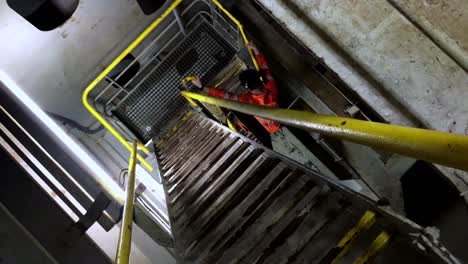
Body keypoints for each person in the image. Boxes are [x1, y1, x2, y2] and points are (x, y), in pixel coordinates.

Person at [191, 42, 281, 147]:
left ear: (245, 87)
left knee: (235, 115)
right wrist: (256, 49)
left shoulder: (246, 100)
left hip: (264, 131)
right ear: (260, 79)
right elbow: (265, 69)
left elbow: (224, 95)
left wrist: (202, 87)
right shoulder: (271, 89)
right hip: (277, 125)